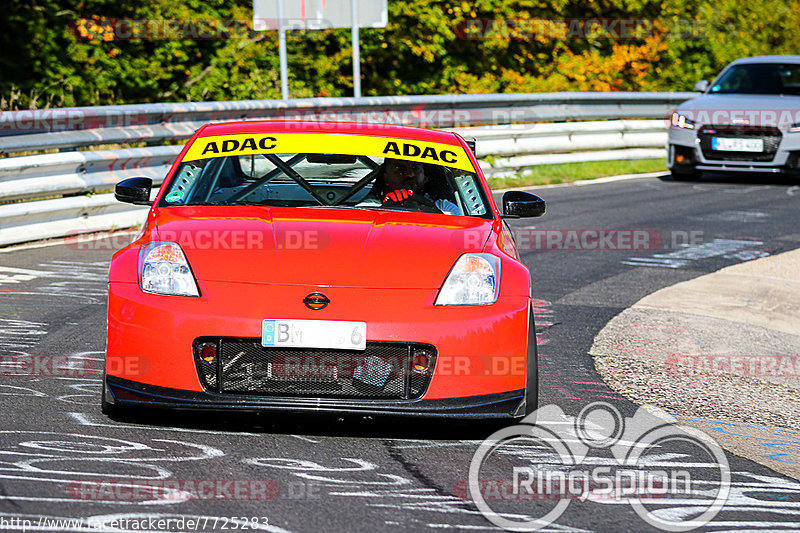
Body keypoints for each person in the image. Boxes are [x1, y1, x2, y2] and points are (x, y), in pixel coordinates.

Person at [359, 158, 460, 215]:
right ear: (386, 178)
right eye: (400, 168)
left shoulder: (446, 209)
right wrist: (384, 209)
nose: (410, 174)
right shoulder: (369, 207)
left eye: (415, 167)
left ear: (425, 177)